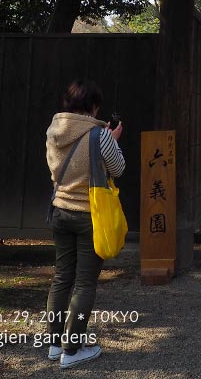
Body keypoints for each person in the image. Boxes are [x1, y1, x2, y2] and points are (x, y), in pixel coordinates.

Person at [45, 79, 125, 369]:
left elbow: (54, 168)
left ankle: (55, 344)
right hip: (89, 215)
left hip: (59, 210)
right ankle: (72, 349)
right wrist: (113, 141)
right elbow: (118, 169)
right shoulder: (98, 134)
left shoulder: (53, 130)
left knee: (61, 278)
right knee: (84, 283)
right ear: (93, 106)